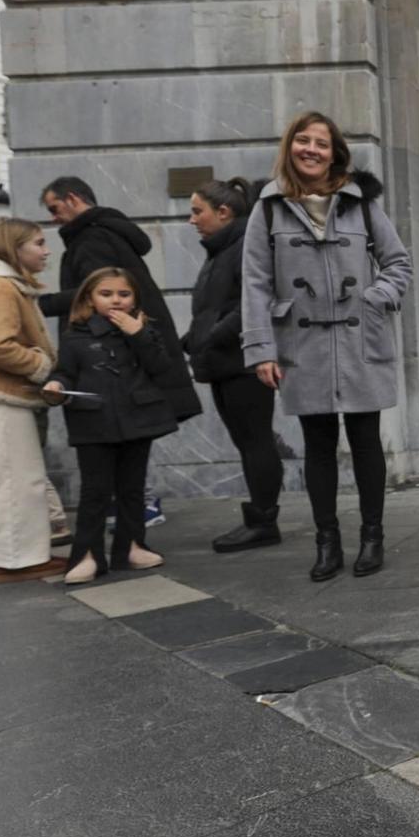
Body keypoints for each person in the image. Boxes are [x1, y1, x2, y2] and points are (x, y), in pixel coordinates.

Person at [241, 112, 413, 580]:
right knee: (317, 445)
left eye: (321, 143)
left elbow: (398, 262)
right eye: (303, 140)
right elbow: (254, 283)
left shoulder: (360, 204)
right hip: (302, 342)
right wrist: (260, 350)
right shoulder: (269, 208)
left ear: (335, 153)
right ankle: (327, 541)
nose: (311, 149)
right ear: (290, 147)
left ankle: (373, 537)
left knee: (364, 442)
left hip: (360, 336)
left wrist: (376, 298)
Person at [38, 175, 202, 527]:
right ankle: (137, 506)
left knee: (130, 428)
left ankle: (140, 506)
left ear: (72, 199)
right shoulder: (110, 231)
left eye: (54, 208)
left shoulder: (91, 237)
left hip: (116, 347)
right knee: (134, 426)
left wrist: (40, 303)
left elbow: (99, 290)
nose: (53, 218)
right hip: (125, 345)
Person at [43, 268, 182, 585]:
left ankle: (131, 547)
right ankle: (87, 555)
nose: (116, 301)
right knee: (95, 491)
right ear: (90, 299)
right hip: (93, 421)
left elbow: (162, 367)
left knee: (132, 488)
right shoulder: (75, 334)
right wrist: (55, 385)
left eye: (124, 294)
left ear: (135, 299)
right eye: (106, 294)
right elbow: (65, 372)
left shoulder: (146, 330)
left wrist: (139, 333)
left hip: (137, 417)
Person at [0, 218, 70, 583]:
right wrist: (39, 366)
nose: (46, 250)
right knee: (14, 479)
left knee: (20, 477)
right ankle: (13, 562)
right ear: (13, 247)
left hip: (1, 393)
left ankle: (23, 556)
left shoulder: (0, 284)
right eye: (38, 243)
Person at [184, 178, 282, 552]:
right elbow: (216, 306)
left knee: (255, 440)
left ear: (223, 212)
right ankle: (259, 518)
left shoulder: (243, 247)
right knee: (247, 441)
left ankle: (263, 521)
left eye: (198, 211)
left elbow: (252, 304)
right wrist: (192, 337)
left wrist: (210, 336)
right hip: (226, 360)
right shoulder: (221, 249)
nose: (192, 220)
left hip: (243, 361)